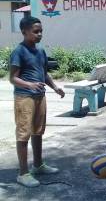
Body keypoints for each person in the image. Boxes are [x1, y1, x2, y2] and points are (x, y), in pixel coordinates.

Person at [9, 16, 65, 187]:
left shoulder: (40, 51)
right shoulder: (19, 51)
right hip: (24, 97)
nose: (39, 34)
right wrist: (30, 84)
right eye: (35, 31)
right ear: (24, 32)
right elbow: (12, 78)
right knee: (23, 134)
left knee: (38, 131)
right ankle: (23, 173)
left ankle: (38, 165)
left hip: (40, 96)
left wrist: (55, 87)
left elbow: (44, 72)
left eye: (41, 31)